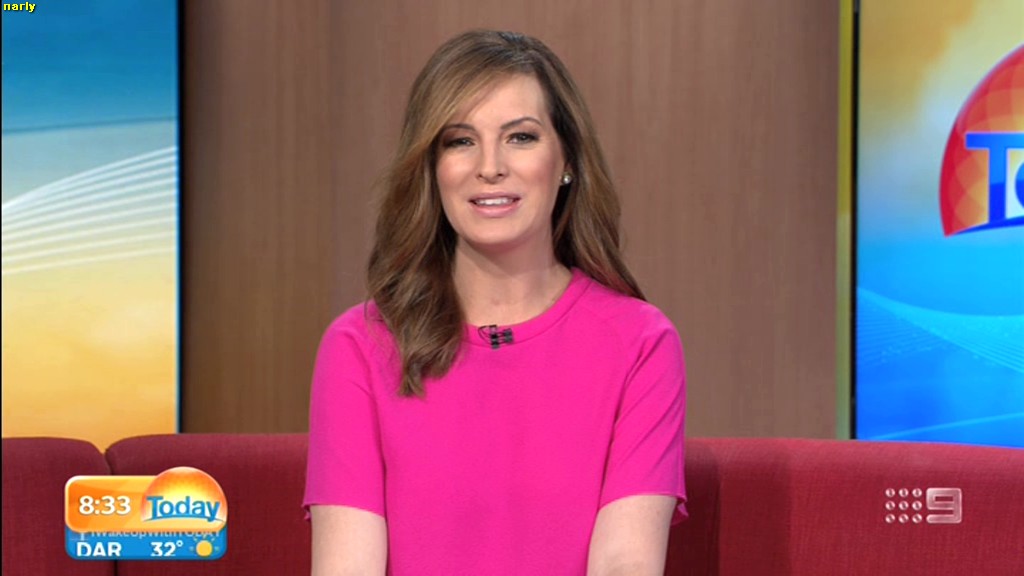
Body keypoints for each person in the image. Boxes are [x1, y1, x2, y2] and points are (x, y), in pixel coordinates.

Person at [304, 29, 686, 576]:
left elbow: (625, 563)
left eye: (520, 137)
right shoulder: (360, 345)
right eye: (460, 141)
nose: (490, 166)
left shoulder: (640, 344)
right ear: (432, 168)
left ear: (567, 160)